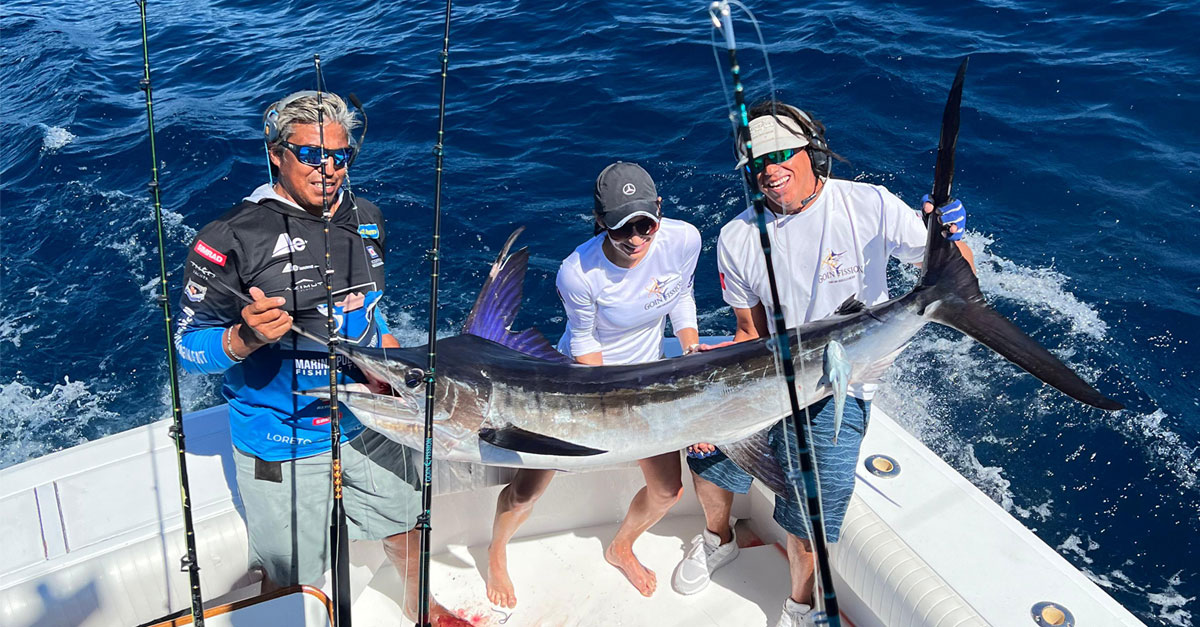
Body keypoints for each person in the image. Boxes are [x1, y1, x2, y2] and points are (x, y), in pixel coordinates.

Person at [671, 101, 975, 627]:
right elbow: (750, 333)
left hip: (842, 385)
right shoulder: (737, 237)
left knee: (812, 511)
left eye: (782, 152)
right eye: (756, 162)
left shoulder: (870, 204)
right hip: (769, 375)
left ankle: (796, 606)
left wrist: (951, 240)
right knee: (706, 454)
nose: (769, 169)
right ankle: (718, 539)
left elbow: (960, 282)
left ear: (812, 152)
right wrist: (713, 405)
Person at [175, 91, 467, 625]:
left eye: (339, 156)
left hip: (369, 417)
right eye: (310, 154)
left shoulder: (369, 219)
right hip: (279, 436)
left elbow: (372, 317)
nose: (327, 169)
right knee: (290, 574)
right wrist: (243, 338)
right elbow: (189, 345)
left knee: (404, 523)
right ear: (277, 154)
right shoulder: (228, 238)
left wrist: (402, 374)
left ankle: (417, 603)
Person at [486, 162, 702, 607]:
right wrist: (607, 405)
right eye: (623, 228)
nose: (638, 238)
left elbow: (681, 294)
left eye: (647, 224)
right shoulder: (579, 271)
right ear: (601, 221)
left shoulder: (683, 238)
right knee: (528, 490)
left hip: (648, 379)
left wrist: (692, 348)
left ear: (660, 210)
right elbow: (583, 340)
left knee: (668, 490)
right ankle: (495, 553)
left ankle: (621, 546)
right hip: (583, 382)